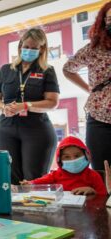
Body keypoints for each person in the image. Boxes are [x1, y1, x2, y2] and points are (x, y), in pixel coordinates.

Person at [0, 28, 59, 185]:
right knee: (9, 181)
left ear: (41, 49)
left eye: (34, 48)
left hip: (36, 130)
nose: (29, 50)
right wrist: (3, 107)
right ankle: (12, 210)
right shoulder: (6, 70)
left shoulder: (47, 71)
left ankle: (34, 210)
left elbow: (52, 102)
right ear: (20, 45)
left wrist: (26, 106)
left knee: (33, 180)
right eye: (26, 46)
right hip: (6, 129)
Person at [63, 2, 111, 171]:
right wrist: (90, 89)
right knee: (101, 171)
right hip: (100, 118)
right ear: (104, 22)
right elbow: (68, 69)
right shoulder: (93, 49)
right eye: (110, 18)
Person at [20, 136, 107, 196]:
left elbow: (104, 196)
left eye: (77, 156)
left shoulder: (94, 176)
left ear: (86, 155)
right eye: (67, 157)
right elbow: (38, 182)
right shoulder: (55, 175)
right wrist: (29, 184)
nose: (72, 159)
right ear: (60, 160)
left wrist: (92, 191)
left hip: (89, 213)